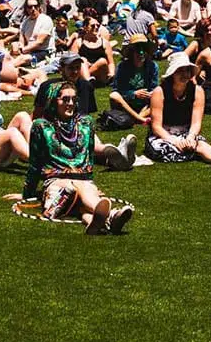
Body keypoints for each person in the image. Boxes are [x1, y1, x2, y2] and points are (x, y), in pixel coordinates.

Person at [21, 79, 135, 233]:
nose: (70, 103)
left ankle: (97, 222)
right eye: (65, 99)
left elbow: (89, 157)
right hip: (57, 180)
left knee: (82, 191)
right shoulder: (40, 126)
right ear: (54, 101)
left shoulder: (86, 123)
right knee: (77, 189)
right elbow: (35, 163)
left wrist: (90, 182)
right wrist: (28, 194)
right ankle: (111, 216)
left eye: (74, 99)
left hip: (81, 179)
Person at [150, 53, 211, 168]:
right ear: (172, 73)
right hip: (164, 133)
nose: (185, 74)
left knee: (200, 145)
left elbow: (196, 123)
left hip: (187, 131)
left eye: (187, 71)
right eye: (180, 71)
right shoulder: (159, 92)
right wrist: (173, 140)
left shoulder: (197, 91)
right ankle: (191, 151)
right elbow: (156, 127)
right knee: (164, 150)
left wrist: (190, 137)